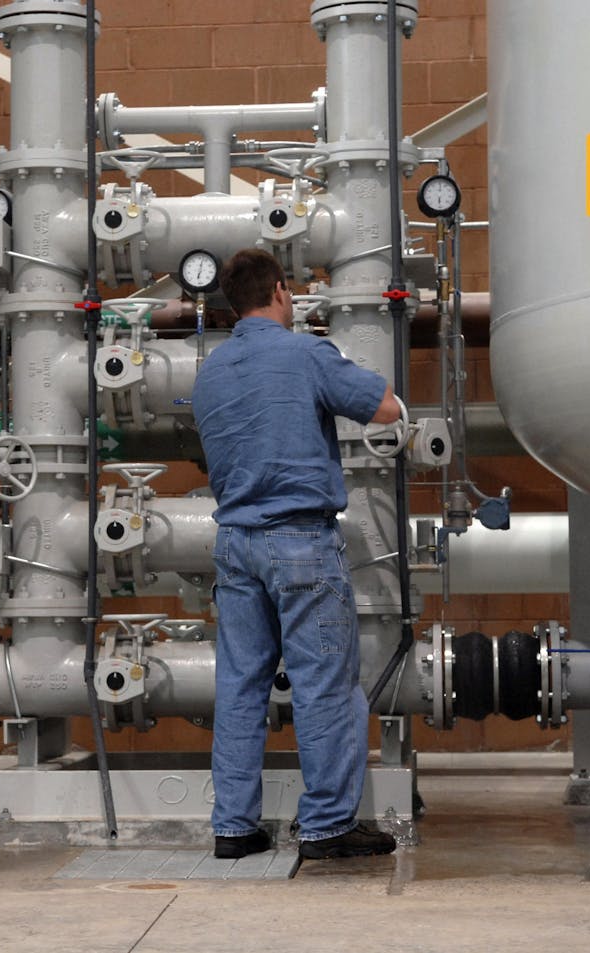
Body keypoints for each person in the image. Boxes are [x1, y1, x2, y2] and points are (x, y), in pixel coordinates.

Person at [192, 248, 401, 861]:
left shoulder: (211, 371)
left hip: (234, 545)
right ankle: (328, 826)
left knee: (239, 687)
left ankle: (233, 827)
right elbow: (385, 408)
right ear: (281, 292)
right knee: (324, 685)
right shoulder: (305, 353)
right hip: (301, 542)